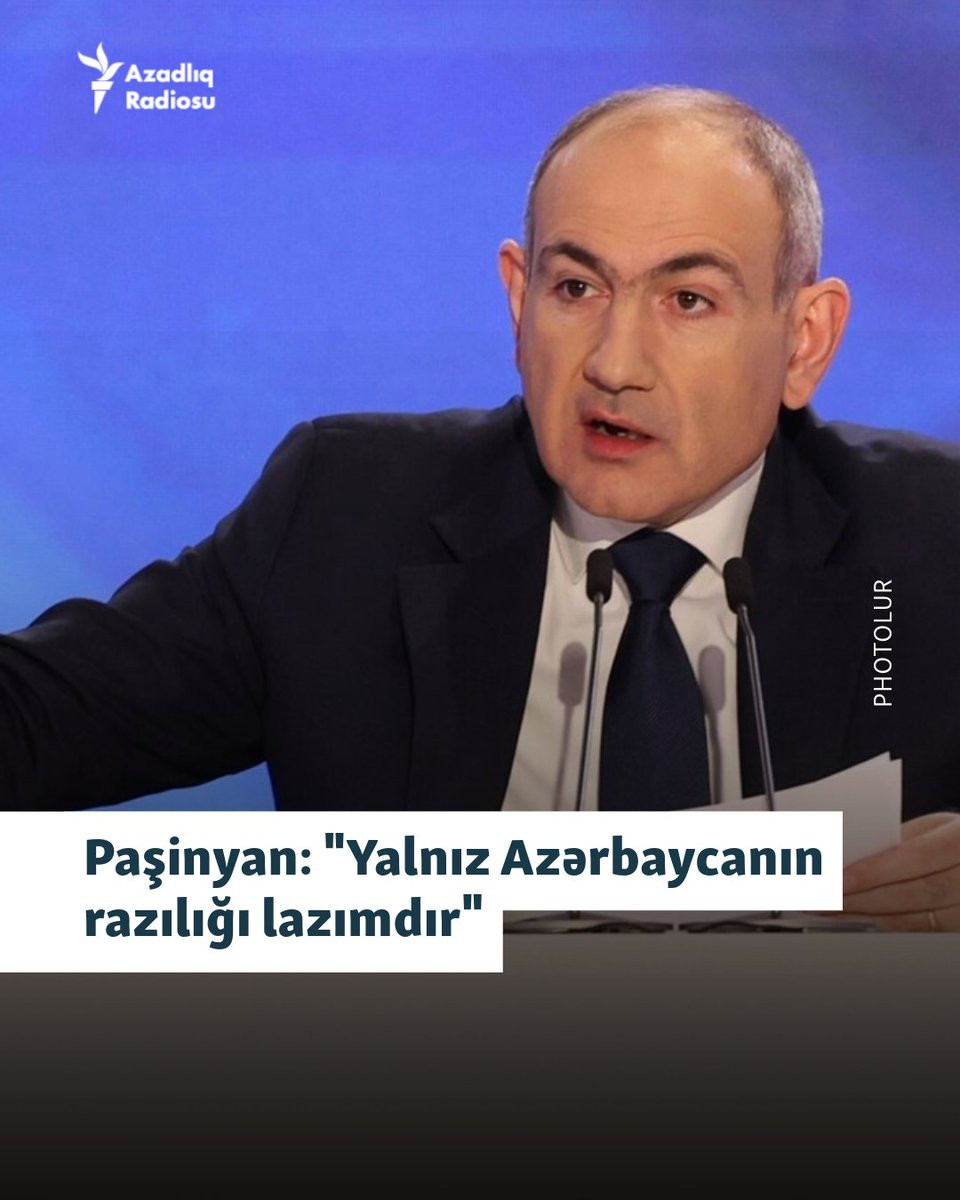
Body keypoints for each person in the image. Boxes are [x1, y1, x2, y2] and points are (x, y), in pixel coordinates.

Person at [1, 86, 959, 930]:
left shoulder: (935, 537)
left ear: (805, 340)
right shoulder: (345, 514)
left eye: (689, 301)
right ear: (518, 298)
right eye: (576, 288)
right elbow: (39, 717)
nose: (615, 365)